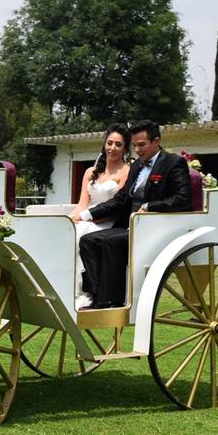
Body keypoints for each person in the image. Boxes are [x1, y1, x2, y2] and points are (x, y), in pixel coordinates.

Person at [77, 119, 191, 309]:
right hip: (128, 225)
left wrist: (149, 206)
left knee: (109, 242)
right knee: (88, 240)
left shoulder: (173, 163)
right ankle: (96, 295)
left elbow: (182, 199)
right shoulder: (137, 166)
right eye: (135, 146)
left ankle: (111, 300)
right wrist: (87, 214)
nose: (137, 150)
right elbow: (120, 200)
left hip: (152, 227)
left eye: (142, 145)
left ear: (156, 141)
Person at [71, 124, 130, 308]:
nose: (112, 148)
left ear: (125, 148)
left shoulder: (126, 171)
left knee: (81, 235)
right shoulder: (90, 172)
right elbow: (82, 204)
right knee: (67, 232)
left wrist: (86, 218)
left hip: (107, 221)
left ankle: (84, 292)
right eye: (109, 143)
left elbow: (117, 207)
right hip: (86, 217)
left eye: (118, 145)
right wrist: (70, 219)